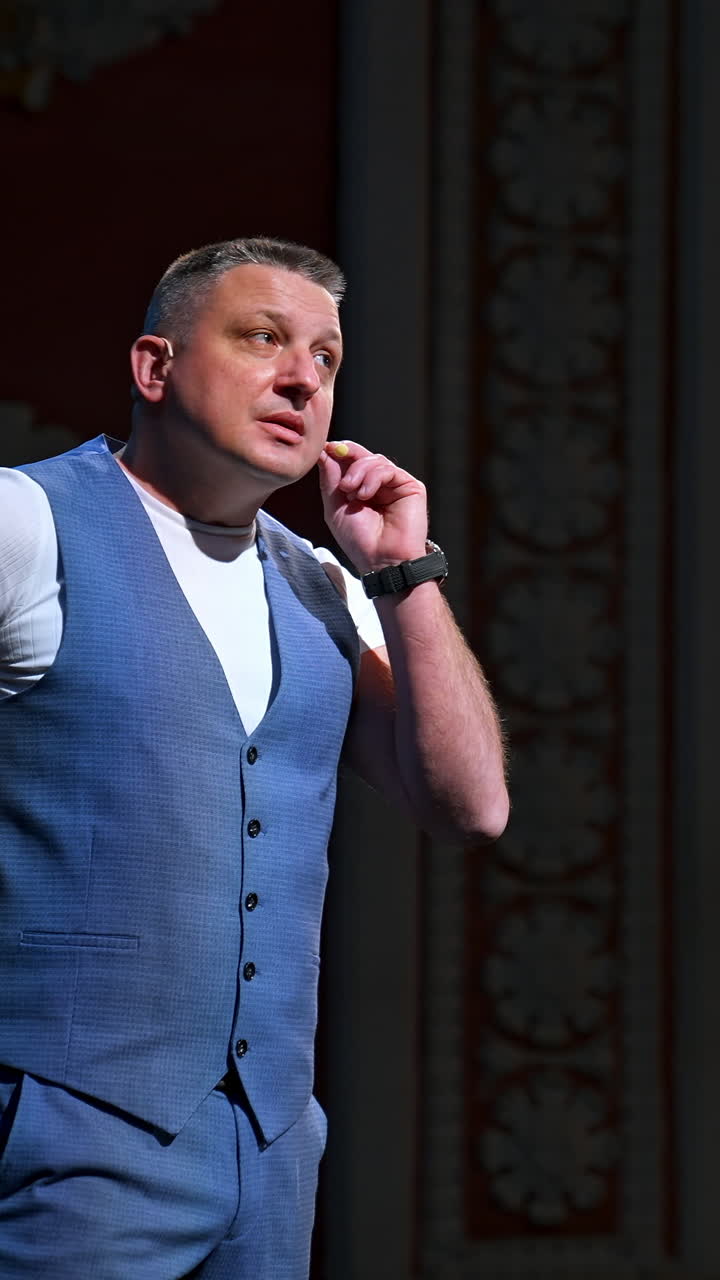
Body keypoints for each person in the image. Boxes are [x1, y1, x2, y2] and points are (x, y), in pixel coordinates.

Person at [0, 237, 508, 1278]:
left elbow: (471, 804)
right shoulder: (26, 521)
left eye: (325, 357)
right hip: (67, 1133)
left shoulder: (319, 582)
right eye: (263, 338)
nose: (302, 379)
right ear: (156, 366)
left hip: (270, 1150)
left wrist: (404, 572)